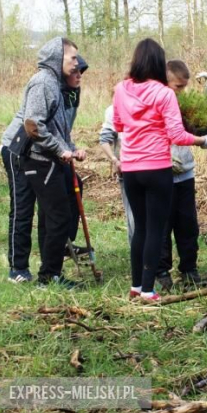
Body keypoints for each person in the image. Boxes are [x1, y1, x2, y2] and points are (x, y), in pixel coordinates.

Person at [113, 38, 207, 302]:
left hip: (130, 169)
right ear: (159, 64)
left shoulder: (121, 89)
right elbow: (177, 134)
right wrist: (203, 140)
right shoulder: (164, 93)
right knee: (156, 231)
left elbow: (119, 126)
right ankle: (149, 290)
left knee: (141, 229)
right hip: (157, 167)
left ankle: (136, 286)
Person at [14, 37, 86, 288]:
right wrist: (59, 150)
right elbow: (33, 125)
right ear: (57, 57)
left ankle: (49, 273)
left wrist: (72, 150)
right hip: (39, 160)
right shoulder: (43, 82)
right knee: (58, 216)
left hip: (51, 159)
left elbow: (58, 128)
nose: (77, 63)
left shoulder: (57, 84)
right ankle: (49, 276)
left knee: (52, 217)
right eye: (72, 58)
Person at [155, 60, 205, 290]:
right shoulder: (155, 103)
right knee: (162, 224)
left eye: (185, 86)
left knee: (187, 224)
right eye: (178, 86)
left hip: (184, 173)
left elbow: (197, 130)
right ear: (165, 82)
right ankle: (161, 271)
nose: (182, 91)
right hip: (161, 172)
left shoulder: (186, 106)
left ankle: (189, 268)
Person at [62, 55, 91, 256]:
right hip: (40, 152)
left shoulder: (74, 93)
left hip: (62, 148)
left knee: (76, 186)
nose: (79, 75)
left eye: (82, 71)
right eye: (75, 71)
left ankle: (67, 242)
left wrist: (73, 148)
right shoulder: (55, 91)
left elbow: (65, 128)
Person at [99, 103, 135, 246]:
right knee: (134, 217)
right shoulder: (114, 109)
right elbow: (104, 139)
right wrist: (115, 159)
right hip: (127, 170)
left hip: (151, 169)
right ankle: (139, 261)